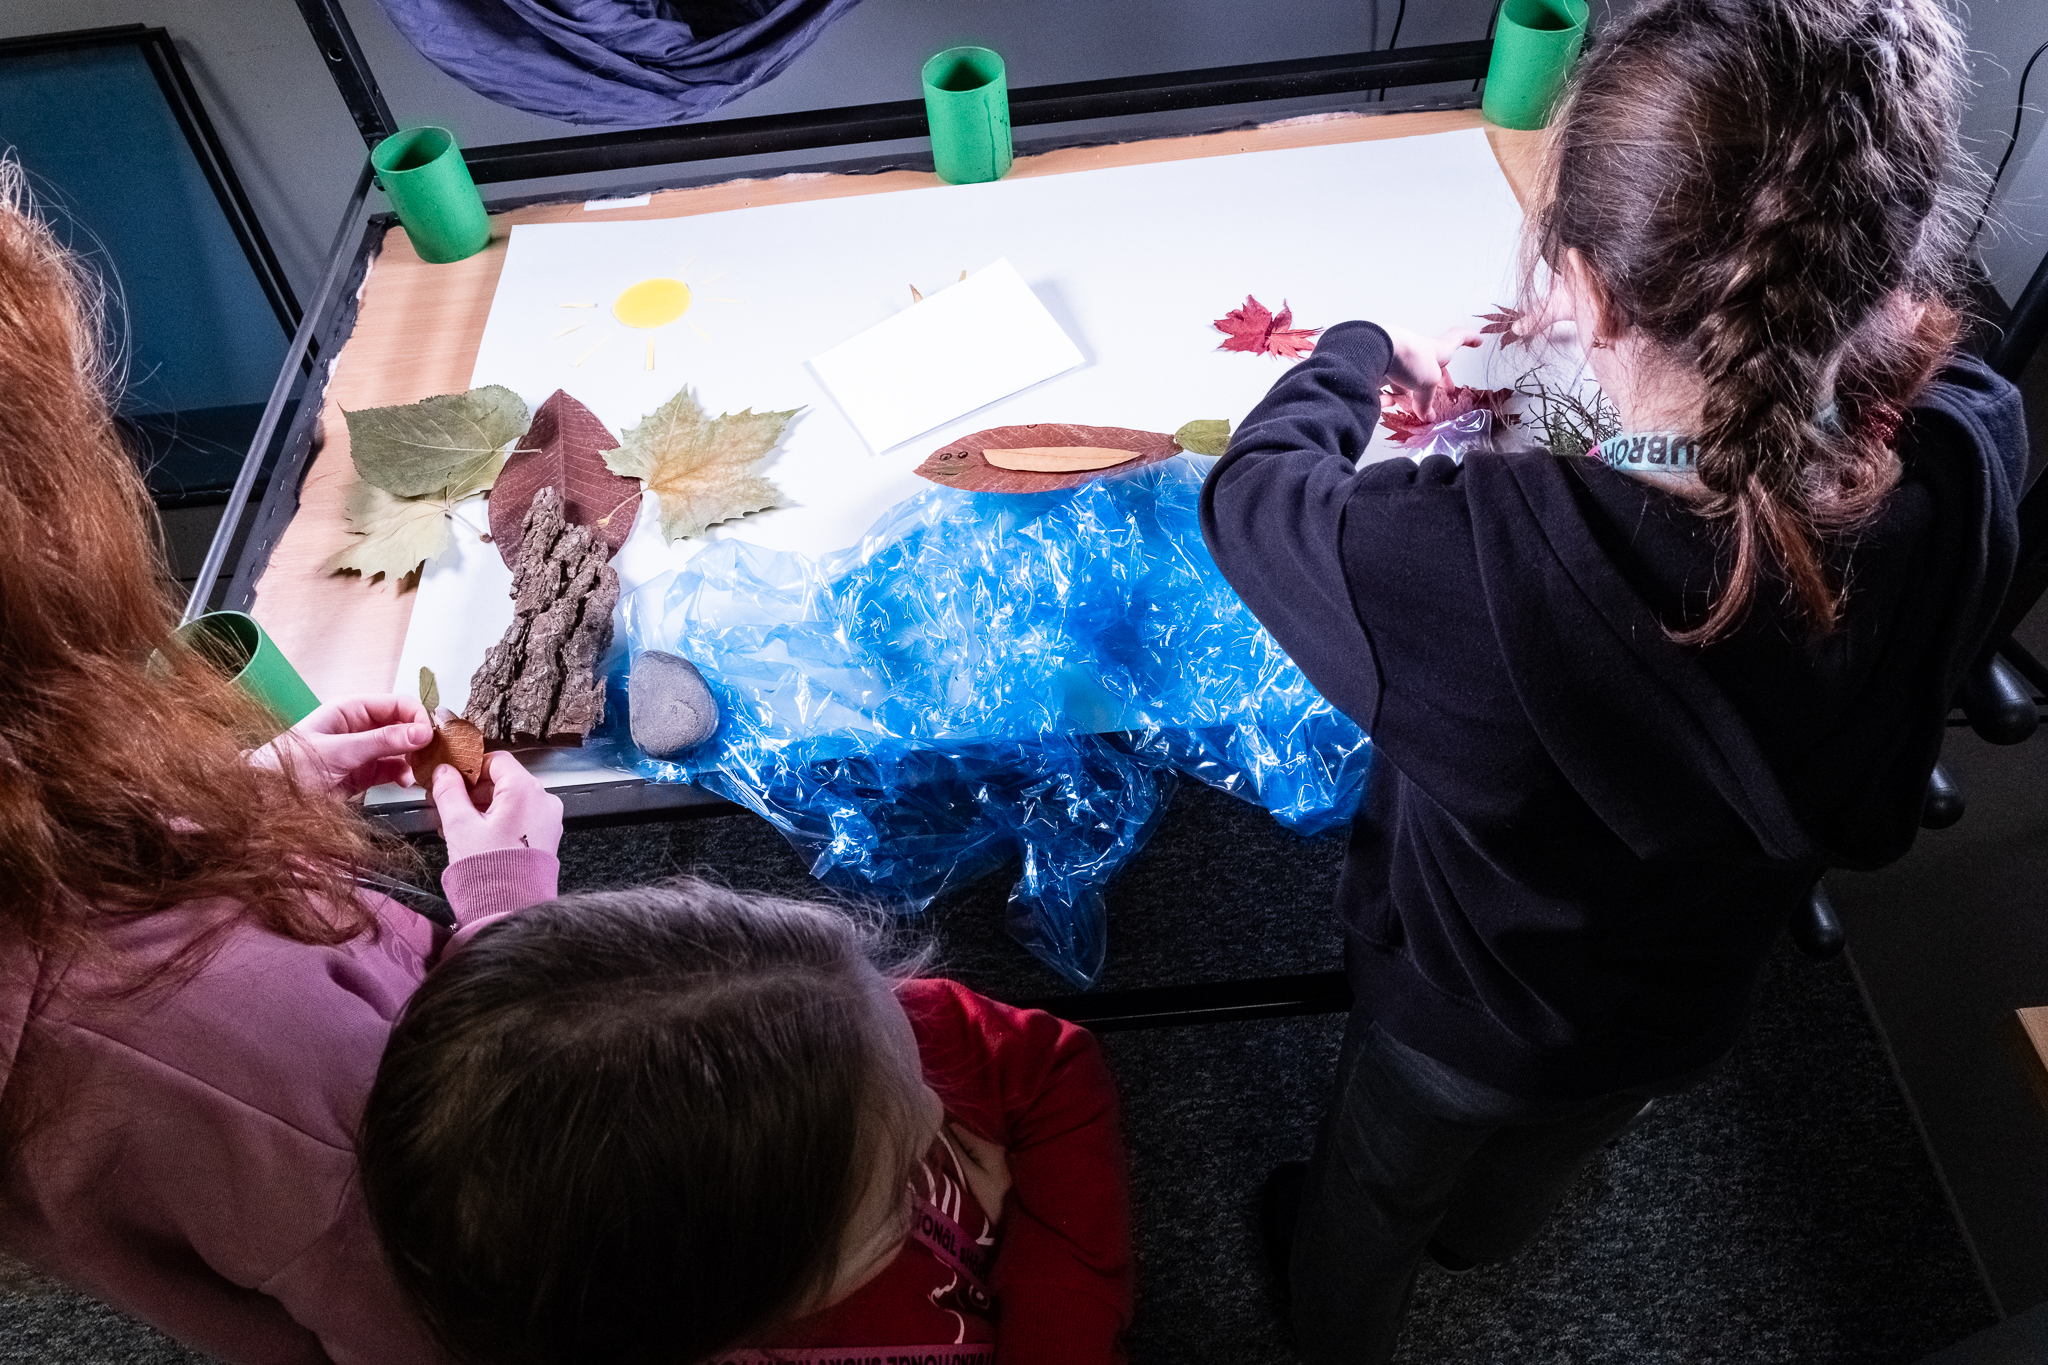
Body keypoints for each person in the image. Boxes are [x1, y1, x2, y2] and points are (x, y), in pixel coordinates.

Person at [1198, 0, 2026, 1359]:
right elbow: (1922, 400)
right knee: (1549, 1153)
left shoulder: (1467, 566)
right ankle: (1483, 1238)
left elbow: (1253, 502)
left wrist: (1352, 348)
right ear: (1880, 278)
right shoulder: (1973, 462)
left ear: (1580, 292)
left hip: (1466, 1008)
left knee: (1376, 1187)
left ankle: (1337, 1325)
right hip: (1689, 997)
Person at [0, 162, 566, 1363]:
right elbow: (495, 1232)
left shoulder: (53, 881)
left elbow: (53, 883)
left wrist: (228, 799)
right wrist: (508, 918)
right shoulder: (223, 1044)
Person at [358, 879, 1133, 1365]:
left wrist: (1049, 1298)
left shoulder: (839, 1023)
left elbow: (1050, 1066)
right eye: (901, 1184)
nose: (937, 1108)